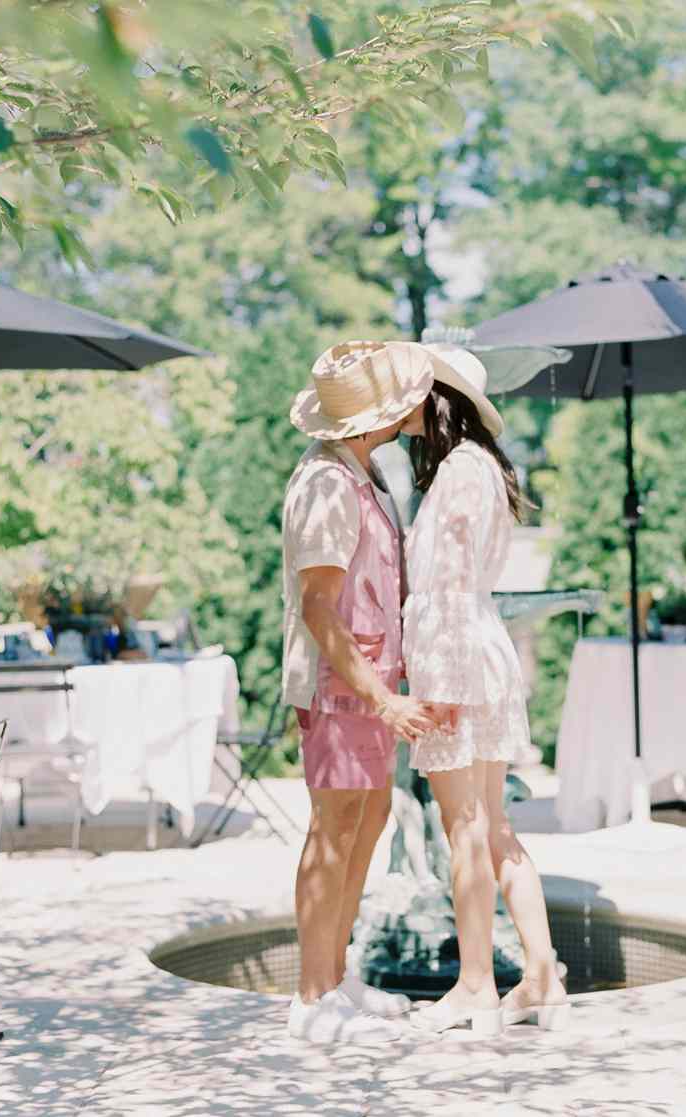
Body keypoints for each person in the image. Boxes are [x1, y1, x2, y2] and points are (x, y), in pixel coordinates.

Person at [281, 339, 453, 1044]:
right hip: (341, 688)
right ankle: (310, 999)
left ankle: (335, 975)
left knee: (369, 817)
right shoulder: (328, 484)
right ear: (376, 417)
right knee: (334, 829)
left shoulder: (361, 473)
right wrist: (383, 699)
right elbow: (319, 607)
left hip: (367, 683)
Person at [397, 345, 569, 1035]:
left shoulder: (461, 471)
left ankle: (475, 986)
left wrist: (438, 681)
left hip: (457, 656)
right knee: (492, 825)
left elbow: (449, 578)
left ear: (438, 400)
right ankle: (542, 976)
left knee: (465, 826)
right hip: (476, 648)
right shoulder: (479, 465)